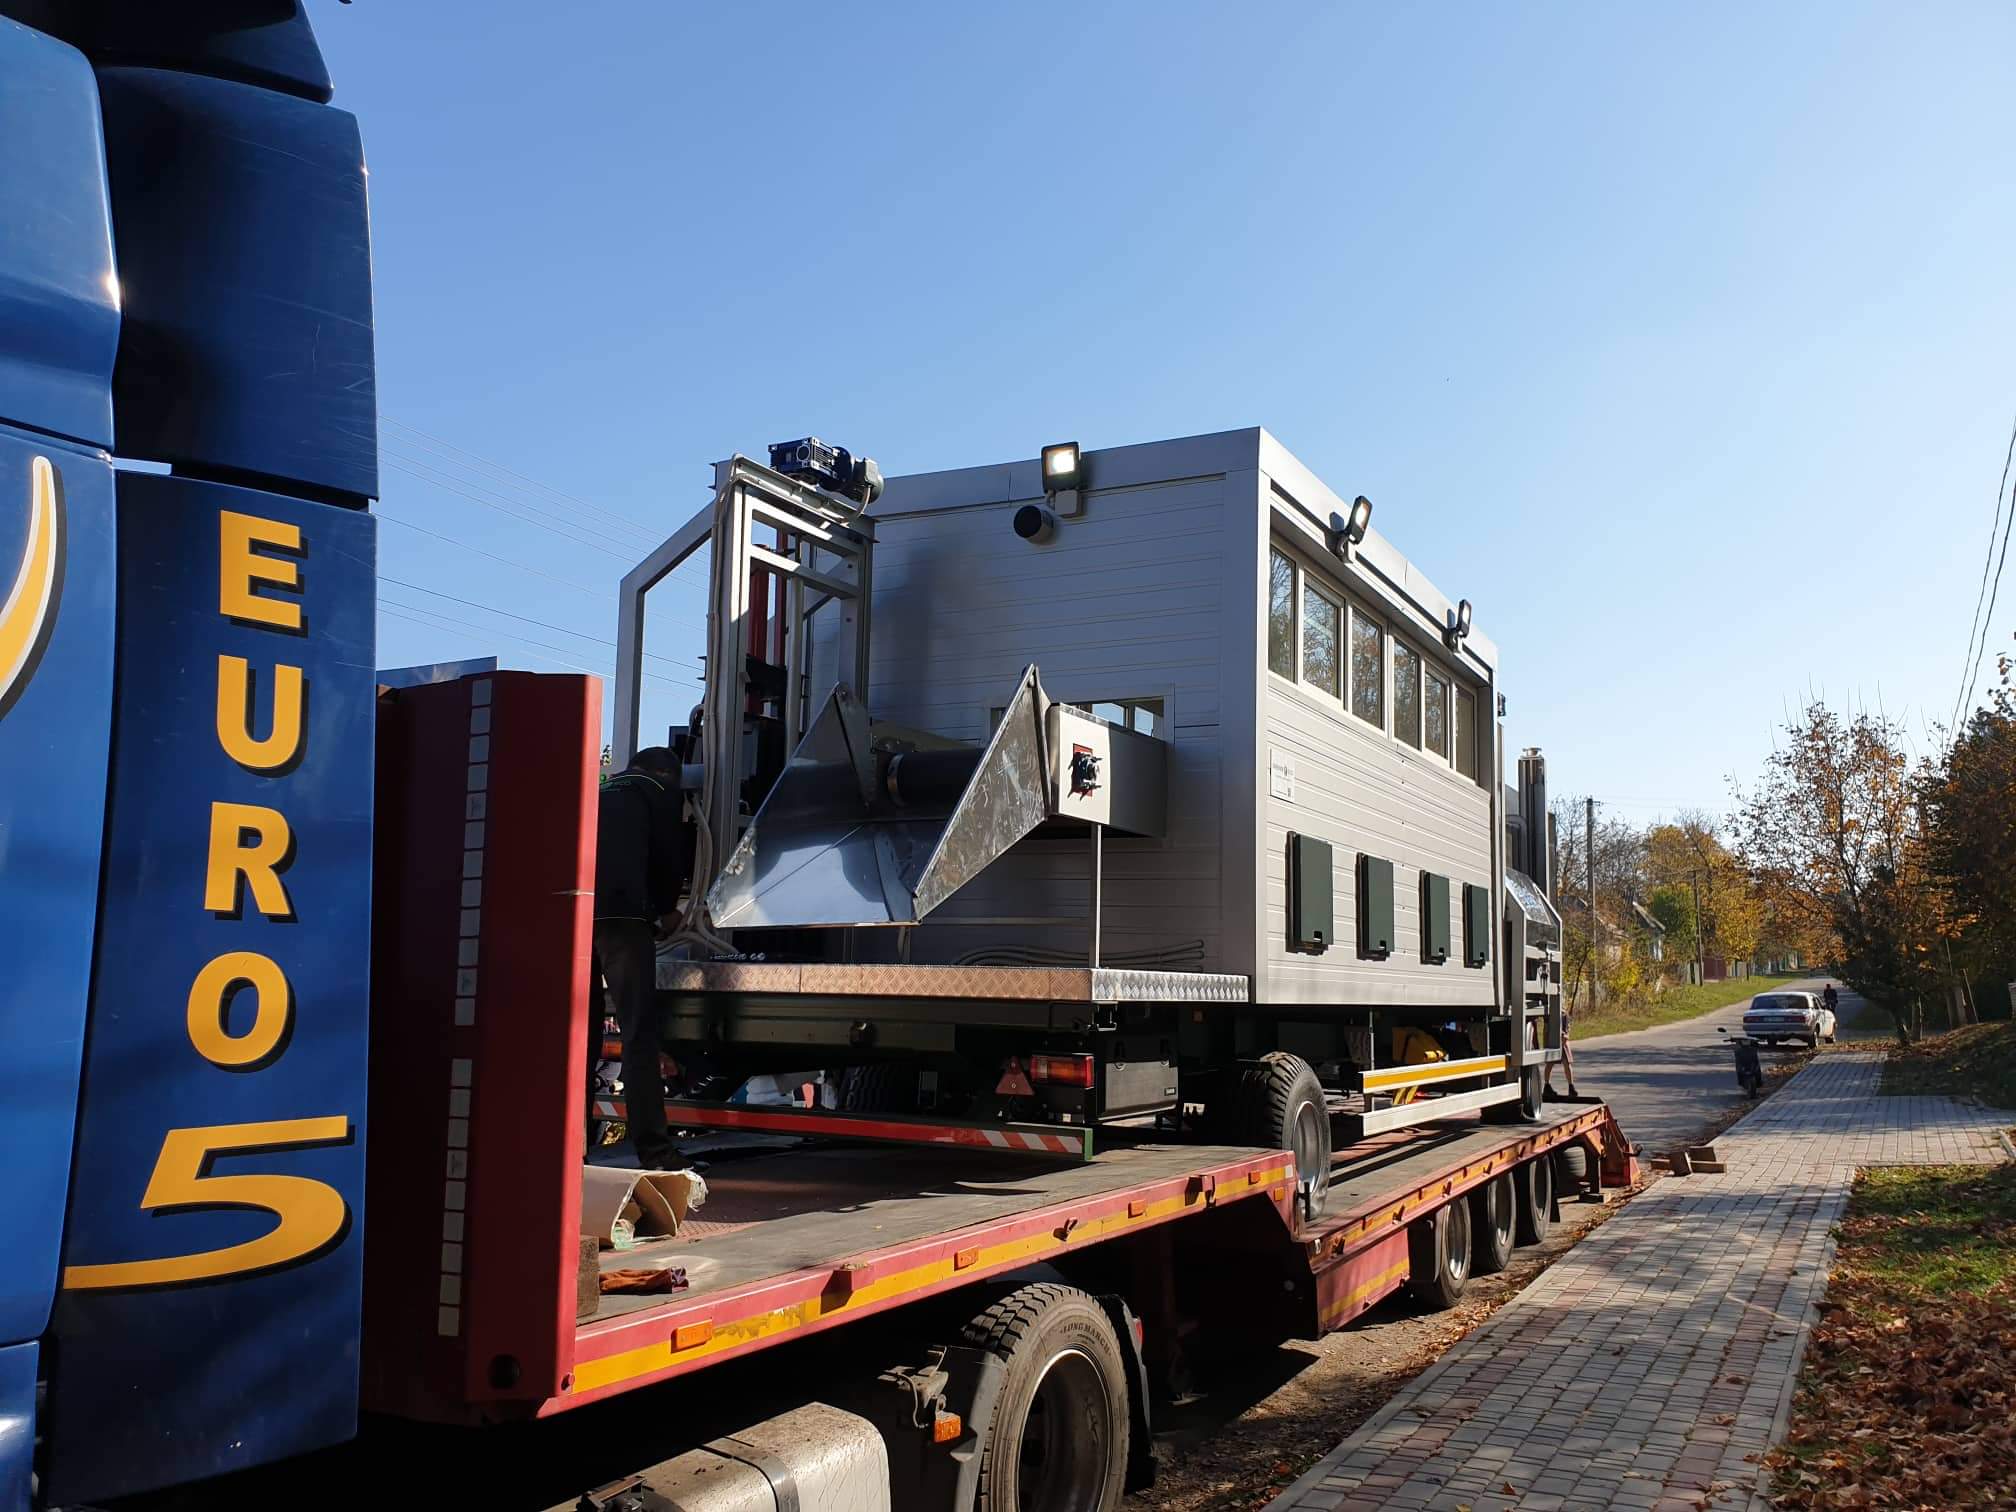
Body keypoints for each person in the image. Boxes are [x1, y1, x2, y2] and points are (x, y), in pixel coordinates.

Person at [592, 747, 691, 1170]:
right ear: (667, 774)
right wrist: (666, 909)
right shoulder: (659, 791)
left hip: (579, 914)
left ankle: (572, 1148)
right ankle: (655, 1151)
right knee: (637, 1034)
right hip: (625, 921)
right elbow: (668, 858)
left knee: (581, 1035)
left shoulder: (600, 789)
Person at [1544, 1004, 1579, 1099]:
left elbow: (1567, 1029)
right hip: (1553, 1040)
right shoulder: (1550, 1015)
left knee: (1567, 1063)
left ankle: (1571, 1086)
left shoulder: (1564, 1015)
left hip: (1563, 1040)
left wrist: (1565, 1037)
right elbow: (1547, 1029)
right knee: (1550, 1063)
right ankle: (1547, 1086)